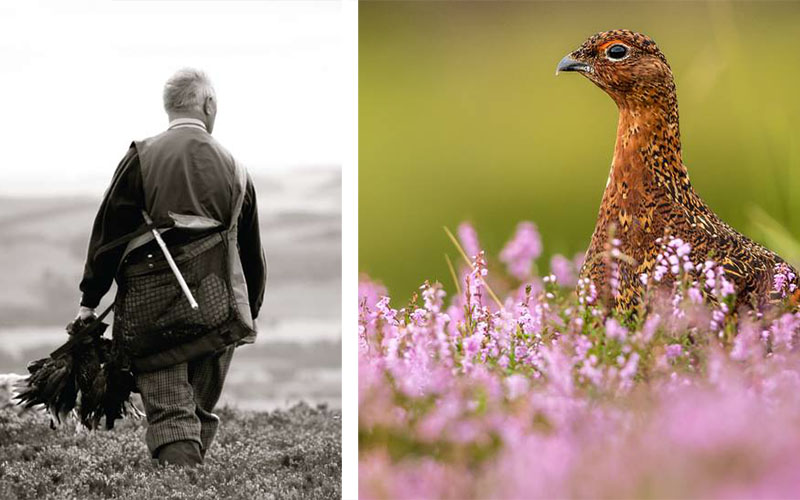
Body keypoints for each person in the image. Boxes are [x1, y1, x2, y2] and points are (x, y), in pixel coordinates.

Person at [75, 68, 266, 466]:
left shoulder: (141, 158)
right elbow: (251, 253)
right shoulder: (236, 169)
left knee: (172, 417)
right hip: (218, 312)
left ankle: (181, 484)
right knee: (194, 412)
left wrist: (89, 301)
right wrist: (249, 313)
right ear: (208, 104)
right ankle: (190, 483)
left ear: (170, 108)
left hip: (152, 314)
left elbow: (108, 235)